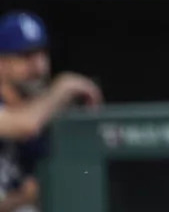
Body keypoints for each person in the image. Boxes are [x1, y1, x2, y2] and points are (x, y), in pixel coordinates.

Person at [0, 11, 102, 211]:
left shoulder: (48, 110)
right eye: (26, 56)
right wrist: (63, 87)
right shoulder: (46, 106)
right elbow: (26, 125)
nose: (39, 66)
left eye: (42, 54)